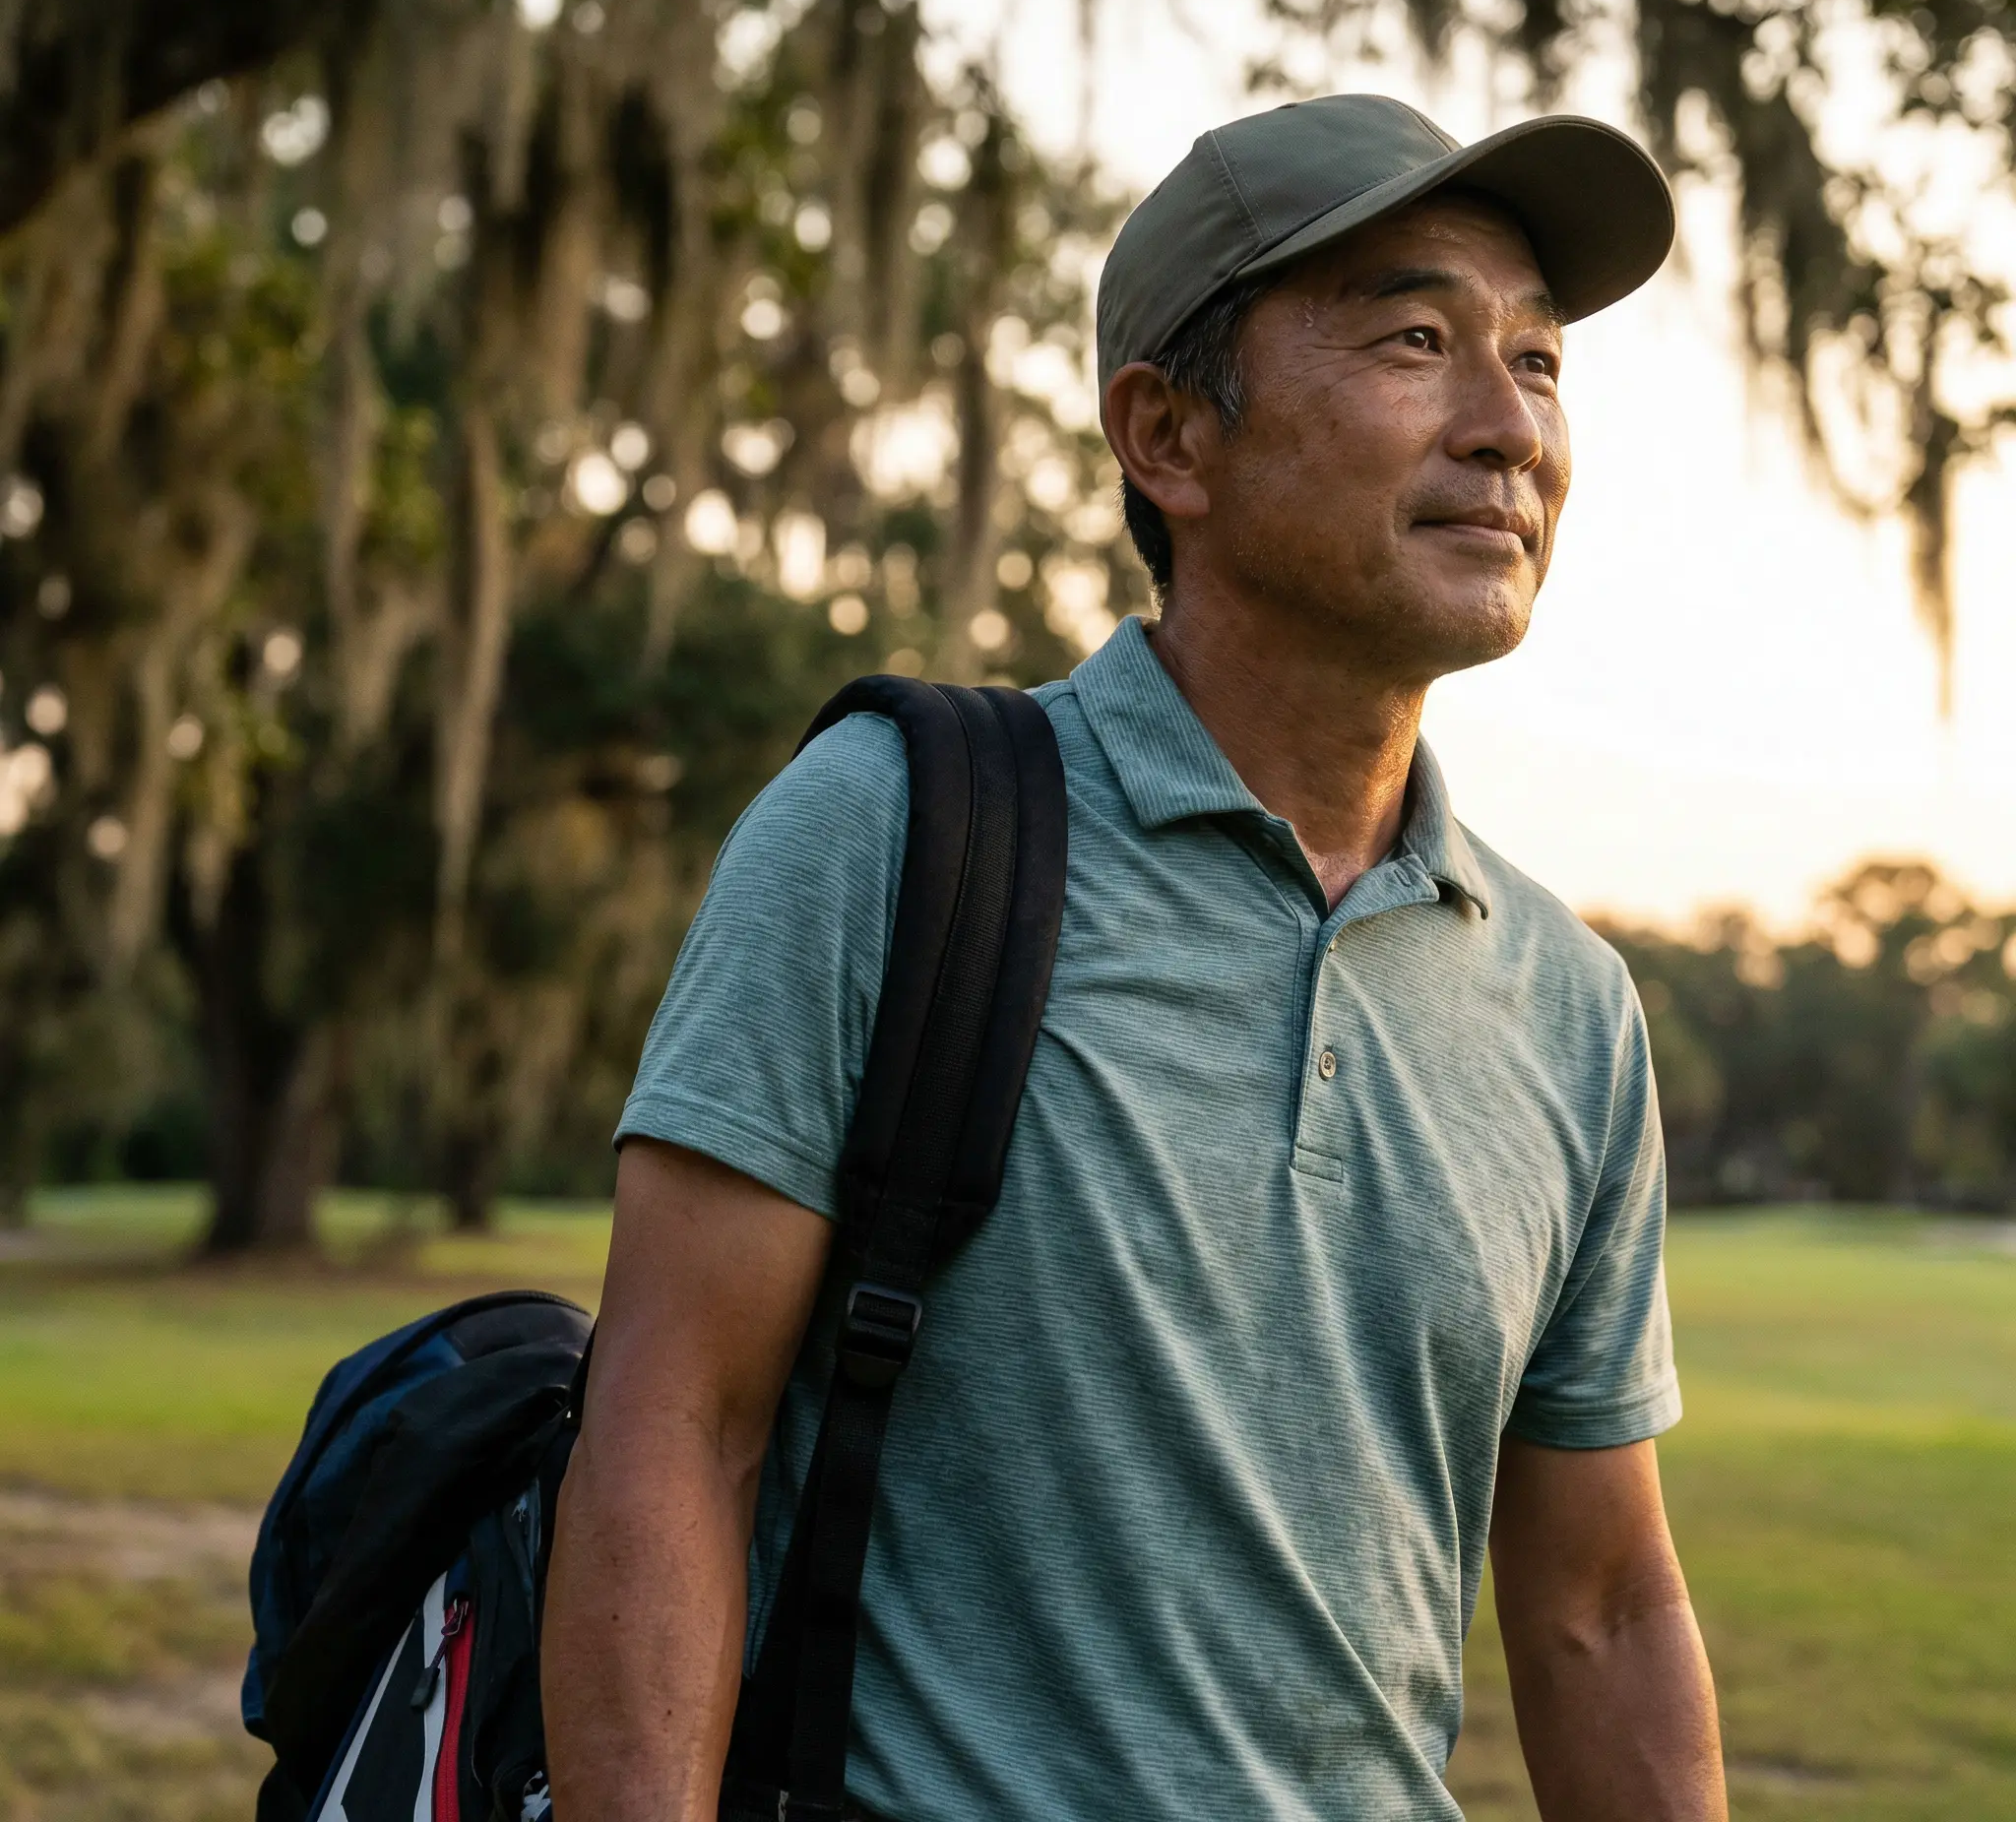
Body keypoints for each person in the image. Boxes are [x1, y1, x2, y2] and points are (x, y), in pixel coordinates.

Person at [543, 93, 1728, 1821]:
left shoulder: (1566, 1005)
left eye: (1538, 364)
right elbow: (674, 1433)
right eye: (1417, 340)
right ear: (1168, 437)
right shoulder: (892, 830)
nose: (1506, 430)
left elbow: (1602, 1610)